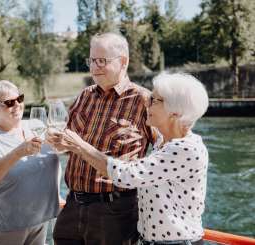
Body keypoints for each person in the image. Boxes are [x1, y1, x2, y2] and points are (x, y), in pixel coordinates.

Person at [48, 72, 209, 245]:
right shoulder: (163, 141)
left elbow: (127, 175)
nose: (147, 104)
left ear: (175, 112)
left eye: (154, 100)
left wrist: (79, 145)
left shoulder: (185, 149)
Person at [49, 32, 153, 245]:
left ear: (123, 62)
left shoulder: (144, 100)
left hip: (115, 212)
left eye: (102, 61)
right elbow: (69, 145)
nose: (94, 67)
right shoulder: (84, 96)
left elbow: (164, 151)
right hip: (72, 205)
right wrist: (59, 144)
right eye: (92, 60)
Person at [0, 80, 60, 245]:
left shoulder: (38, 126)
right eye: (8, 103)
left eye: (19, 99)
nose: (17, 105)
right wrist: (18, 152)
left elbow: (60, 153)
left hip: (42, 218)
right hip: (8, 225)